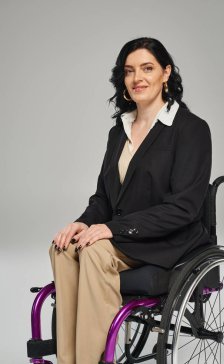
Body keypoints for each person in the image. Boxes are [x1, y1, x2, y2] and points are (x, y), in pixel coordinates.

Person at [50, 37, 212, 364]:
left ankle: (91, 360)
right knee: (64, 246)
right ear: (122, 79)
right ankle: (70, 359)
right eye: (129, 71)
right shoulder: (119, 130)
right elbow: (104, 199)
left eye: (147, 68)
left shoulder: (190, 129)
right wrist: (83, 222)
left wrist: (111, 230)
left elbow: (183, 208)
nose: (137, 77)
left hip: (167, 241)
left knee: (93, 250)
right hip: (122, 236)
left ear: (166, 73)